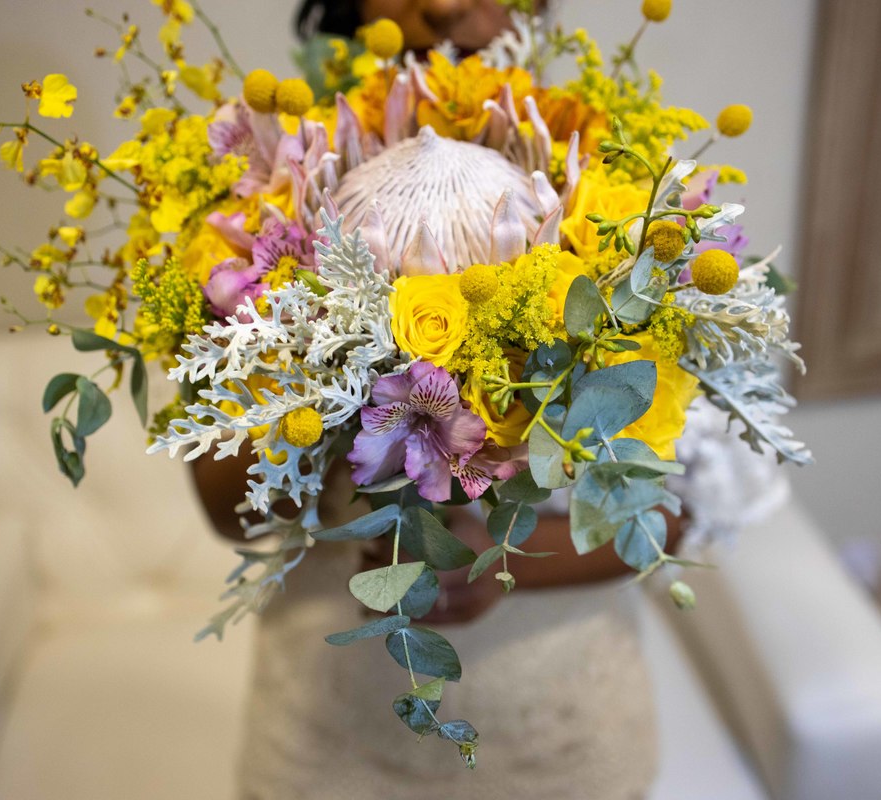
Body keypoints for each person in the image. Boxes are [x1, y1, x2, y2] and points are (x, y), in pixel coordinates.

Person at [191, 2, 784, 796]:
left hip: (560, 736)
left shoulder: (631, 202)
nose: (441, 4)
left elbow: (677, 512)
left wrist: (505, 569)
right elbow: (228, 511)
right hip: (328, 740)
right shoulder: (264, 205)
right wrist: (298, 362)